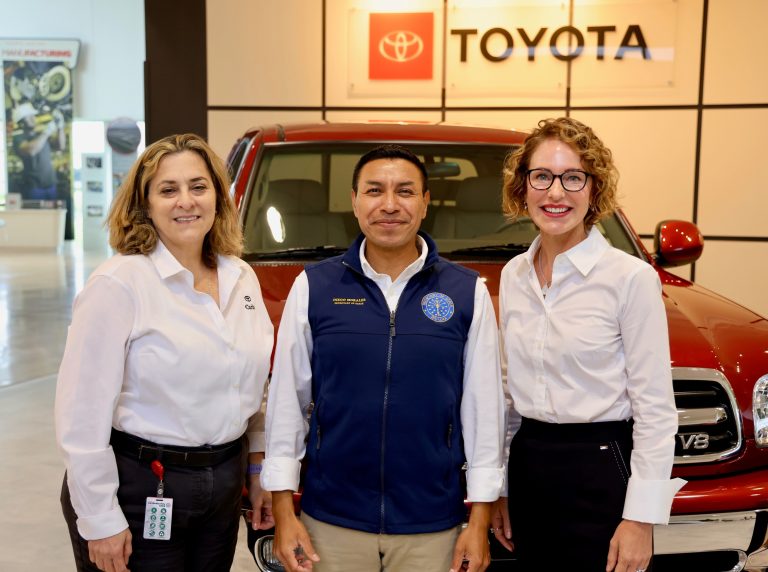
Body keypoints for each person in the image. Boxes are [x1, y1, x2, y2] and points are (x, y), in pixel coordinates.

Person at [260, 144, 505, 572]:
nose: (389, 205)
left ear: (425, 203)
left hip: (433, 523)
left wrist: (479, 517)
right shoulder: (314, 286)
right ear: (354, 201)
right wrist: (284, 512)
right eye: (374, 190)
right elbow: (287, 404)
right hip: (330, 520)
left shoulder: (466, 291)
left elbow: (484, 411)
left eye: (405, 191)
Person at [55, 133, 274, 572]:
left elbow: (253, 388)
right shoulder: (119, 283)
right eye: (168, 190)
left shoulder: (241, 277)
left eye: (198, 186)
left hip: (222, 484)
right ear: (145, 204)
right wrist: (99, 518)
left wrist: (256, 470)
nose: (185, 201)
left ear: (218, 196)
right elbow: (81, 414)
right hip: (140, 486)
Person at [491, 117, 685, 572]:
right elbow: (507, 394)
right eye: (542, 176)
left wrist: (640, 519)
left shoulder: (630, 278)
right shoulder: (514, 275)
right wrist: (501, 488)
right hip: (530, 467)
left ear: (594, 188)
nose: (555, 193)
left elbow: (655, 409)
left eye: (573, 178)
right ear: (523, 187)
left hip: (601, 469)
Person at [11, 100, 65, 201]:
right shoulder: (18, 138)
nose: (33, 118)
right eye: (29, 117)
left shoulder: (39, 135)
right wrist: (47, 132)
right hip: (34, 188)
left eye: (33, 115)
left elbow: (60, 146)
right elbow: (31, 150)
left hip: (51, 185)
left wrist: (60, 127)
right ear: (21, 122)